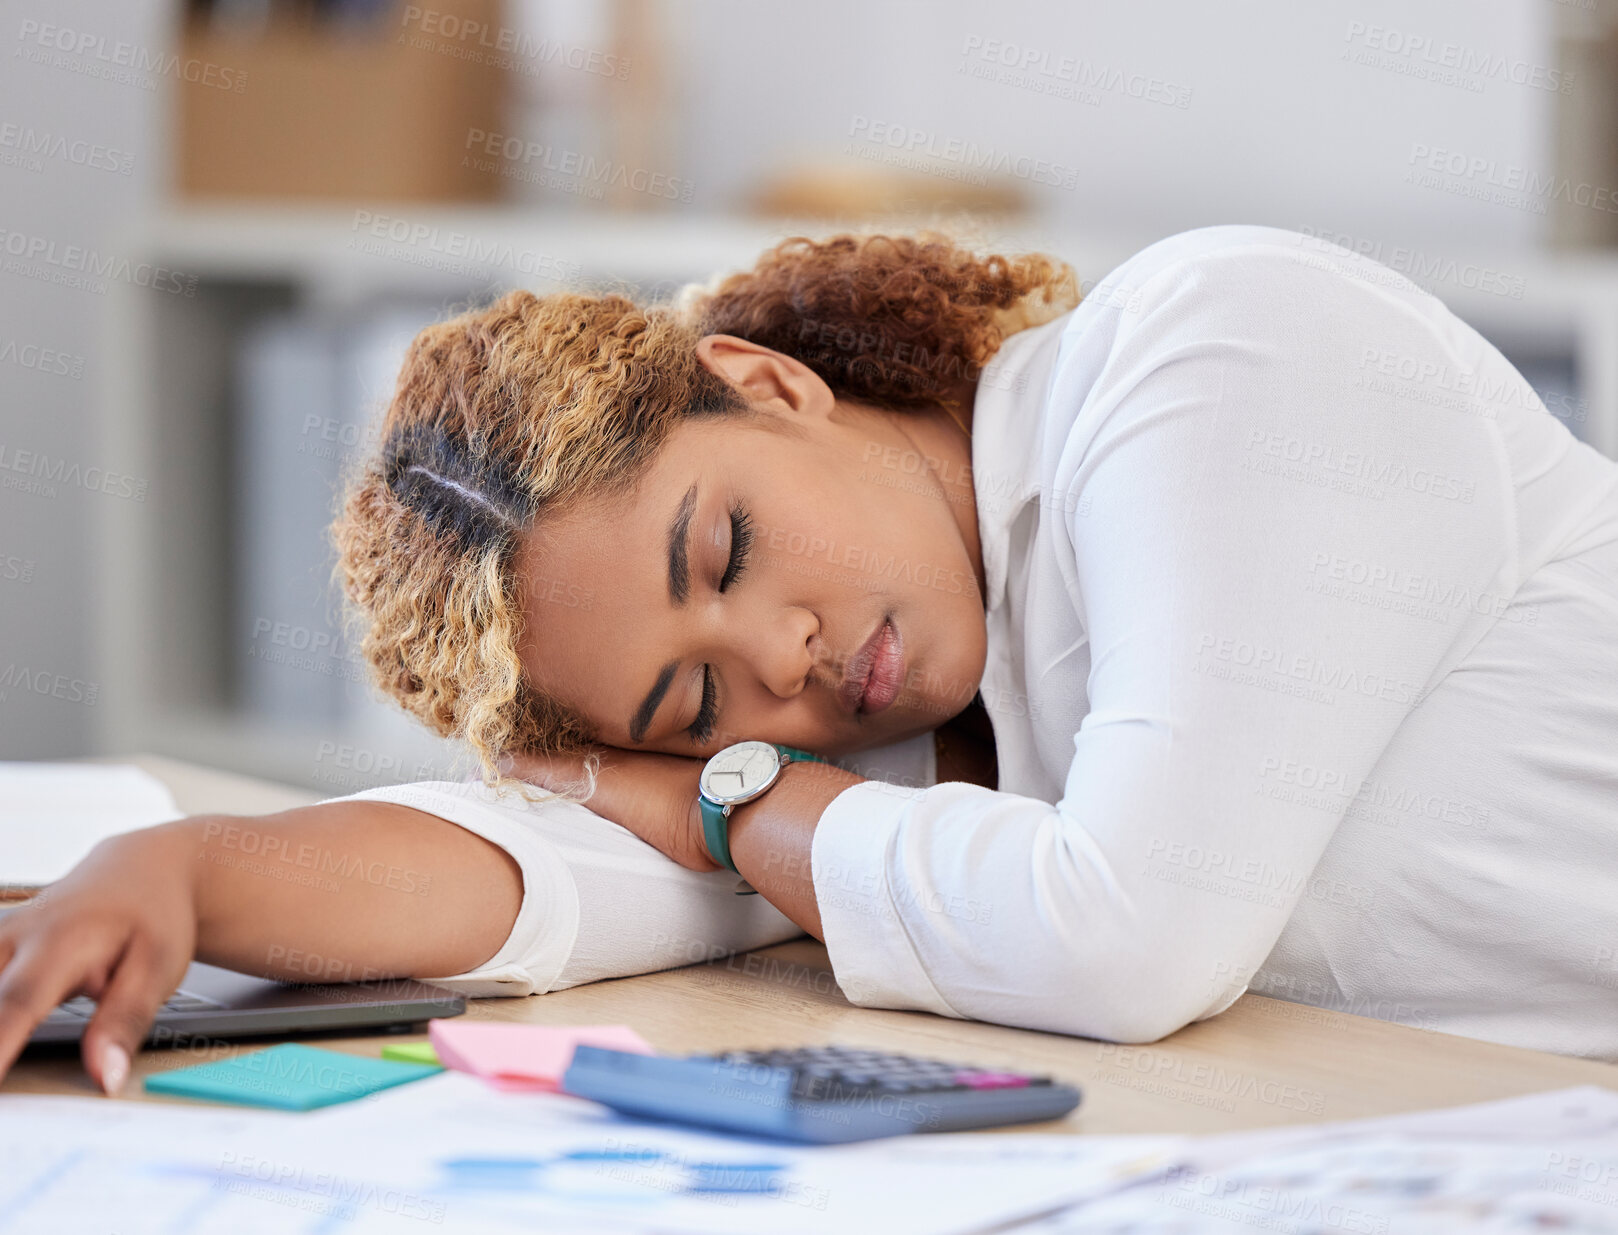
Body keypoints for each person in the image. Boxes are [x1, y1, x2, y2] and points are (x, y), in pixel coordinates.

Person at [3, 226, 1616, 1098]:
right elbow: (541, 869)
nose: (782, 661)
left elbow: (1125, 941)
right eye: (693, 700)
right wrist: (180, 874)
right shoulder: (902, 719)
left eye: (726, 550)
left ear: (763, 384)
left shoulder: (1214, 349)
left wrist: (729, 788)